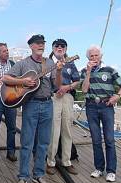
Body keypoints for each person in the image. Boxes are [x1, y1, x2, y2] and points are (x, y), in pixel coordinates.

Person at [2, 34, 63, 183]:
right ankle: (23, 176)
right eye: (37, 43)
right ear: (31, 46)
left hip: (48, 104)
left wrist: (60, 71)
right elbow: (6, 79)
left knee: (43, 142)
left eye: (42, 43)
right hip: (31, 105)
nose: (41, 45)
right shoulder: (23, 63)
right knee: (27, 143)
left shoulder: (50, 63)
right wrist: (22, 81)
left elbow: (57, 86)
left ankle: (39, 174)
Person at [81, 45, 121, 182]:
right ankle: (99, 168)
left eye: (96, 55)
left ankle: (111, 171)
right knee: (96, 139)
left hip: (107, 106)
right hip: (91, 106)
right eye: (91, 56)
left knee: (109, 139)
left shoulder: (110, 70)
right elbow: (84, 90)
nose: (94, 58)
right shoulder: (84, 71)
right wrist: (89, 72)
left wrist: (117, 96)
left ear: (101, 56)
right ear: (88, 58)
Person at [46, 39, 80, 175]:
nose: (60, 48)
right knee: (54, 130)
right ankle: (50, 161)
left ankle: (67, 161)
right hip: (53, 97)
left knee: (67, 129)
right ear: (53, 48)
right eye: (57, 46)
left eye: (62, 46)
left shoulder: (70, 63)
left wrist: (68, 87)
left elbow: (77, 80)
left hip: (67, 97)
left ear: (66, 49)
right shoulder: (47, 63)